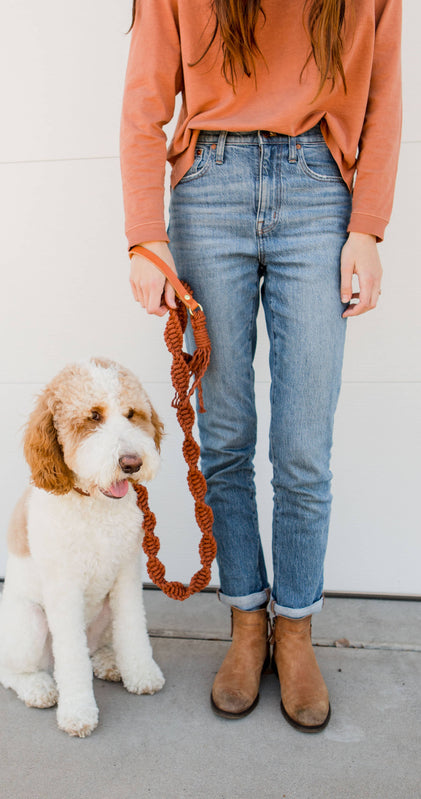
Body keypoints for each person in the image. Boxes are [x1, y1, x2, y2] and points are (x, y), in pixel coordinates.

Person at [120, 0, 401, 732]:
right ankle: (247, 620)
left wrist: (368, 228)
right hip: (207, 186)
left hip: (318, 187)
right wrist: (145, 235)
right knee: (225, 437)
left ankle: (295, 627)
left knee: (304, 446)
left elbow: (383, 95)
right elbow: (145, 99)